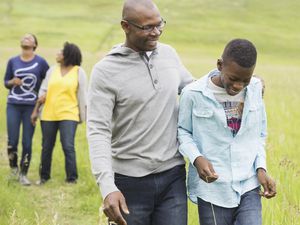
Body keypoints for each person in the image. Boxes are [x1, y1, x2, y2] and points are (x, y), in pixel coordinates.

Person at [87, 0, 193, 224]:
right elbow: (98, 131)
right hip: (128, 183)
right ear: (126, 26)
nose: (156, 33)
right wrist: (107, 187)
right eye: (147, 27)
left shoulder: (169, 55)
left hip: (172, 175)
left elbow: (194, 90)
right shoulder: (105, 71)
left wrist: (245, 82)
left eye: (159, 25)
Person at [177, 39, 276, 225]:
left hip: (249, 183)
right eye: (233, 79)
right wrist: (197, 158)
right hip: (213, 188)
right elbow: (183, 131)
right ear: (220, 65)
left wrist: (261, 168)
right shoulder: (193, 94)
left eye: (245, 80)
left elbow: (259, 134)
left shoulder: (255, 88)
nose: (239, 86)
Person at [31, 42, 87, 184]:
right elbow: (43, 89)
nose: (57, 54)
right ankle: (44, 177)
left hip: (69, 114)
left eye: (60, 52)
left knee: (68, 145)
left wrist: (83, 116)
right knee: (47, 146)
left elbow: (82, 96)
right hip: (49, 114)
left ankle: (71, 178)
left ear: (68, 55)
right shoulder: (52, 70)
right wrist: (37, 108)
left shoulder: (78, 72)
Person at [4, 33, 49, 186]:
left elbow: (49, 81)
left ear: (35, 44)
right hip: (13, 105)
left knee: (27, 142)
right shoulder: (13, 61)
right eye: (23, 37)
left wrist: (42, 99)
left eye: (30, 38)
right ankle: (13, 169)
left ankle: (24, 173)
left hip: (31, 107)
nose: (26, 38)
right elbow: (6, 82)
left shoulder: (41, 62)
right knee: (12, 140)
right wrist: (12, 81)